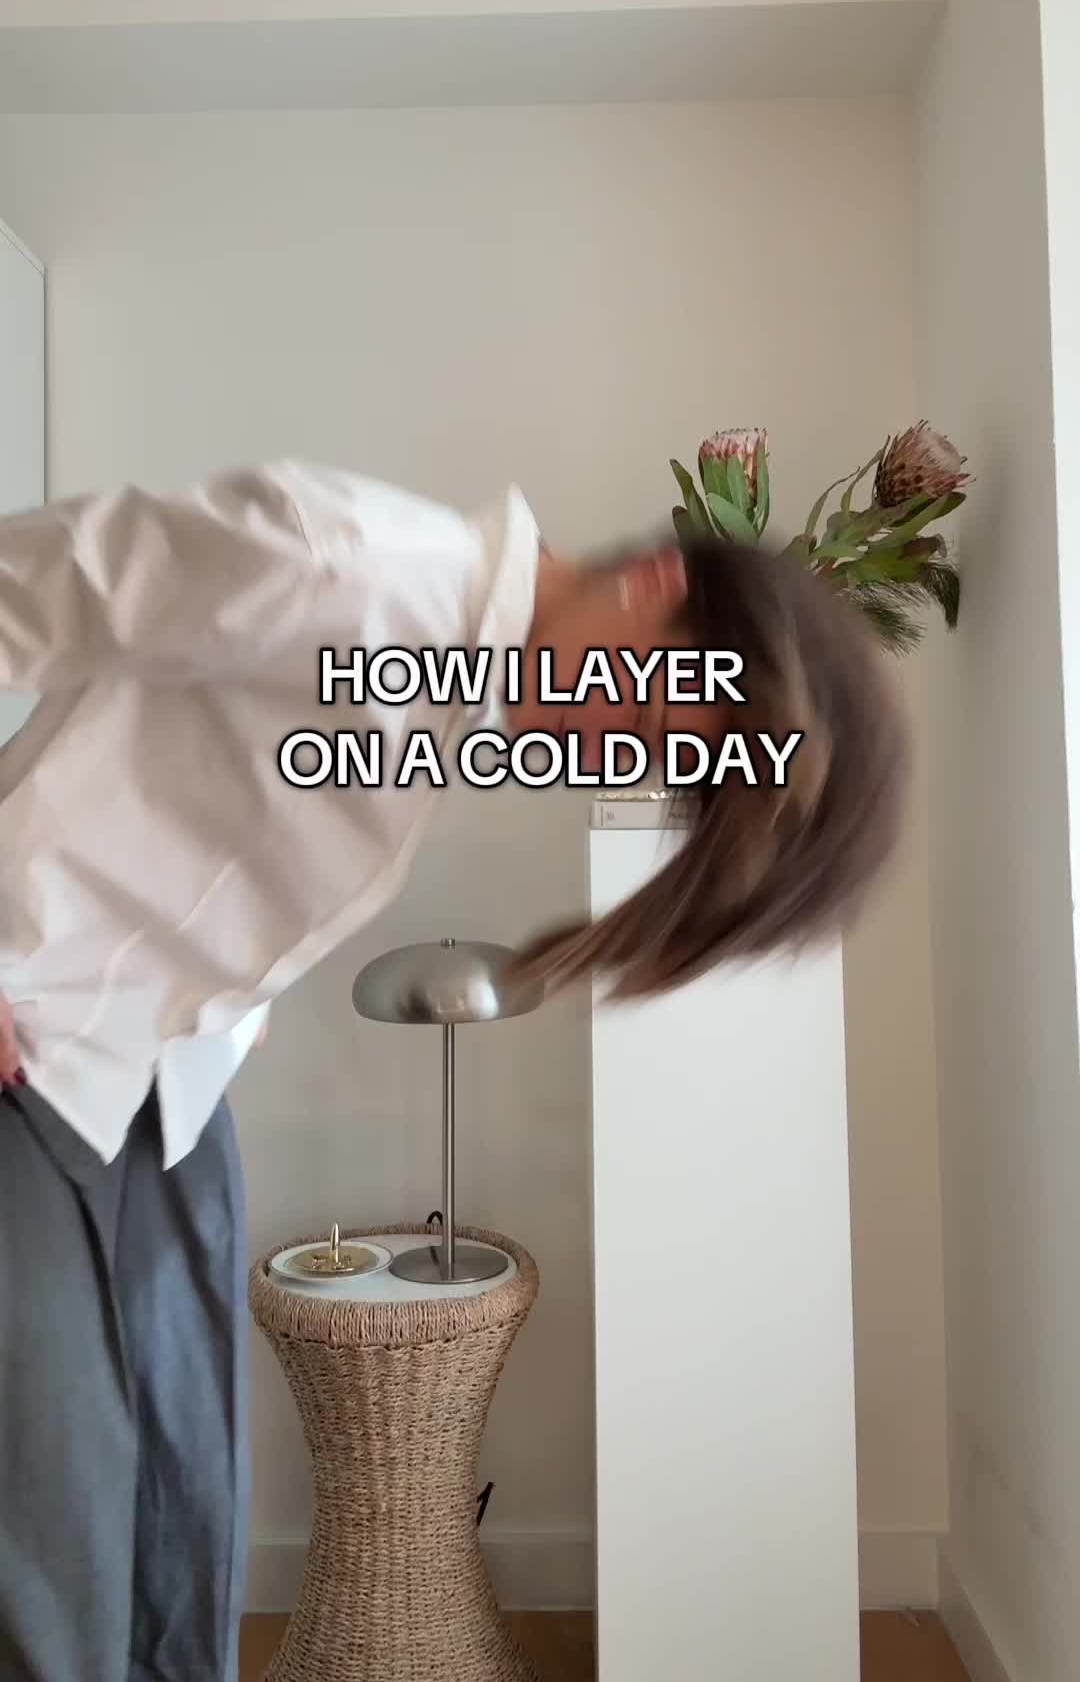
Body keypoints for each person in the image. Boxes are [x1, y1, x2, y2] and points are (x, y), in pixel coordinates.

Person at [0, 457, 907, 1682]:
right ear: (652, 584)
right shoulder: (350, 563)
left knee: (179, 1545)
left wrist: (238, 997)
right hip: (32, 1048)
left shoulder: (446, 681)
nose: (607, 753)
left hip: (160, 1086)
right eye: (642, 724)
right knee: (47, 1562)